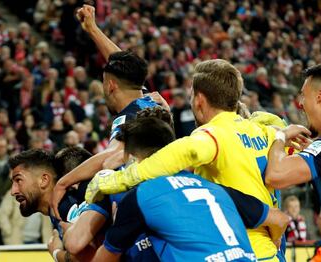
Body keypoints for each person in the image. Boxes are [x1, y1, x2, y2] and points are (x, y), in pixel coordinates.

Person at [85, 59, 284, 261]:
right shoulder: (264, 131)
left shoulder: (210, 135)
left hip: (238, 248)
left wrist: (113, 181)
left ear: (199, 100)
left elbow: (172, 157)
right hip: (271, 248)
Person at [90, 117, 289, 261]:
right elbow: (280, 219)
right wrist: (277, 238)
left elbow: (105, 257)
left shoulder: (142, 196)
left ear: (132, 160)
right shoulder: (214, 188)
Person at [51, 4, 161, 219]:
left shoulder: (128, 118)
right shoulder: (149, 102)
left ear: (110, 86)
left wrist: (63, 182)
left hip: (142, 207)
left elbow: (111, 156)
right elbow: (124, 64)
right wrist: (92, 29)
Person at [264, 62, 321, 261]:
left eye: (303, 95)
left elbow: (275, 175)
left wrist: (280, 136)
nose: (300, 104)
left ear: (320, 95)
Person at [8, 147, 102, 262]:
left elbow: (90, 257)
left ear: (44, 180)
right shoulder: (58, 210)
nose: (13, 191)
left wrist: (56, 253)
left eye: (18, 180)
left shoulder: (66, 207)